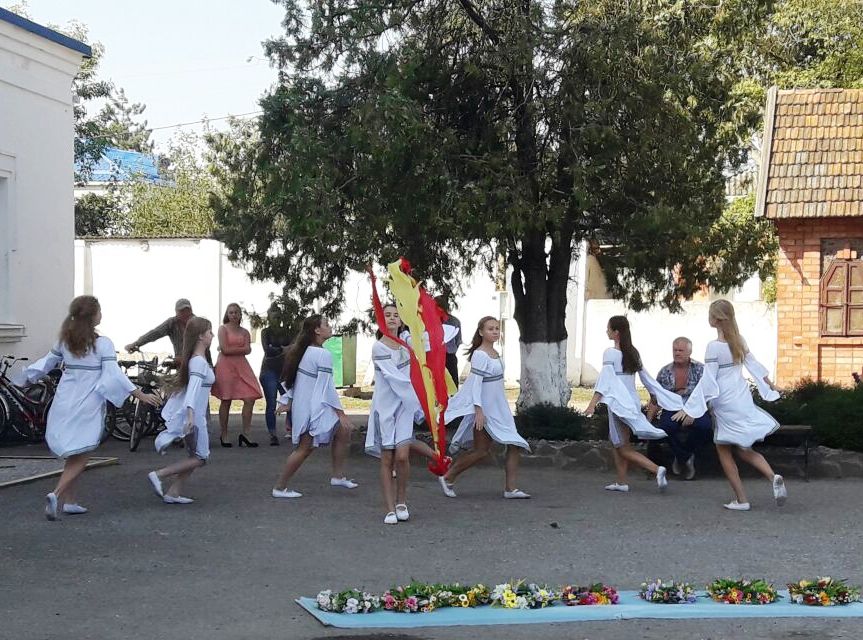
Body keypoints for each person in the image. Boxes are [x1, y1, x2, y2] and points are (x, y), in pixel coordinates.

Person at [16, 296, 159, 520]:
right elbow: (114, 374)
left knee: (75, 450)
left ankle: (70, 501)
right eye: (99, 311)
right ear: (93, 316)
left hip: (64, 400)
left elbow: (45, 364)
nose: (102, 314)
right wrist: (139, 394)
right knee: (84, 453)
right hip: (88, 402)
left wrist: (26, 377)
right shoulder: (103, 344)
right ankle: (56, 494)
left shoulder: (65, 340)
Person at [672, 300, 786, 511]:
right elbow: (755, 367)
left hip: (723, 401)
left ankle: (742, 500)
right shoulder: (739, 341)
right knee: (743, 448)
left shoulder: (713, 347)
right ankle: (772, 476)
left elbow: (708, 380)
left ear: (715, 319)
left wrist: (690, 408)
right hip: (741, 397)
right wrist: (771, 386)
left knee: (723, 450)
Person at [584, 316, 684, 494]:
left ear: (616, 332)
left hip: (618, 403)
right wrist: (654, 394)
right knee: (618, 442)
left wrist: (592, 403)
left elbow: (605, 379)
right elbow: (646, 377)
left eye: (609, 328)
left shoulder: (610, 353)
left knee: (622, 446)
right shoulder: (632, 352)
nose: (606, 331)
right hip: (631, 402)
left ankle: (656, 469)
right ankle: (621, 481)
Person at [365, 304, 444, 524]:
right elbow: (397, 380)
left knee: (402, 456)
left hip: (404, 407)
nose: (391, 318)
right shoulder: (378, 347)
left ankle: (402, 501)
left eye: (395, 315)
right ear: (380, 320)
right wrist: (421, 404)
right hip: (386, 407)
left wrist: (426, 323)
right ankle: (390, 508)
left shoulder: (406, 343)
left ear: (401, 320)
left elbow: (428, 348)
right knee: (387, 458)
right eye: (387, 315)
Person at [439, 316, 531, 499]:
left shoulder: (495, 352)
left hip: (500, 409)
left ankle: (511, 489)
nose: (495, 331)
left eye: (497, 328)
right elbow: (475, 384)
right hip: (486, 411)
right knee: (481, 451)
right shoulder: (480, 355)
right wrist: (479, 411)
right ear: (481, 332)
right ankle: (448, 476)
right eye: (490, 329)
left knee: (515, 444)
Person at [271, 315, 357, 498]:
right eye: (326, 324)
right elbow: (327, 387)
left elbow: (296, 382)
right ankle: (279, 487)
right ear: (317, 330)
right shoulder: (321, 354)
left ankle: (337, 476)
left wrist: (288, 401)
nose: (330, 326)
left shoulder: (306, 351)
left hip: (309, 405)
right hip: (312, 408)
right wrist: (340, 413)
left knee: (343, 431)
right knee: (305, 448)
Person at [148, 317, 214, 504]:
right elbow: (192, 391)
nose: (212, 335)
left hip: (194, 415)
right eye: (209, 332)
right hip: (195, 417)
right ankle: (159, 474)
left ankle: (173, 492)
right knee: (201, 457)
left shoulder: (196, 360)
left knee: (194, 457)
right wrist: (191, 415)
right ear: (200, 336)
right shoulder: (199, 362)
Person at [646, 337, 714, 480]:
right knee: (665, 427)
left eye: (681, 350)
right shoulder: (665, 371)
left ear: (690, 352)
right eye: (675, 350)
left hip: (695, 407)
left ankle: (681, 455)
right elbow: (655, 398)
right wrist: (647, 421)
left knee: (705, 427)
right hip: (672, 407)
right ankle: (685, 457)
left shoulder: (701, 369)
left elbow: (708, 395)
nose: (677, 353)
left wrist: (693, 413)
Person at [211, 303, 263, 448]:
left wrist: (231, 349)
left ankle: (246, 433)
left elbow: (248, 350)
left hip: (242, 366)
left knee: (250, 397)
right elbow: (225, 350)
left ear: (240, 315)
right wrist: (238, 349)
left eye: (236, 312)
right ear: (227, 315)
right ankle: (224, 434)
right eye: (231, 312)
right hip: (225, 366)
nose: (233, 315)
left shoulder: (245, 331)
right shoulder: (223, 329)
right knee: (226, 399)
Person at [259, 303, 296, 446]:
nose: (276, 320)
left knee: (291, 399)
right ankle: (272, 433)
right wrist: (283, 349)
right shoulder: (265, 332)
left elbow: (293, 347)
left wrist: (278, 349)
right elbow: (267, 350)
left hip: (285, 370)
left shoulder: (287, 332)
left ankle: (292, 429)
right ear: (268, 317)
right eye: (273, 317)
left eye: (278, 317)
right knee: (271, 402)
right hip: (269, 369)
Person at [125, 298, 194, 358]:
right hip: (180, 362)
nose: (185, 313)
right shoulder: (171, 323)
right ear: (176, 312)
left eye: (187, 310)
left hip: (196, 360)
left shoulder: (198, 323)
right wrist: (136, 344)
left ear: (191, 310)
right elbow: (155, 333)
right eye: (181, 311)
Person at [435, 295, 462, 389]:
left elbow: (458, 340)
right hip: (435, 355)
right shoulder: (429, 320)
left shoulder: (454, 321)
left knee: (452, 383)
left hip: (449, 355)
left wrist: (451, 349)